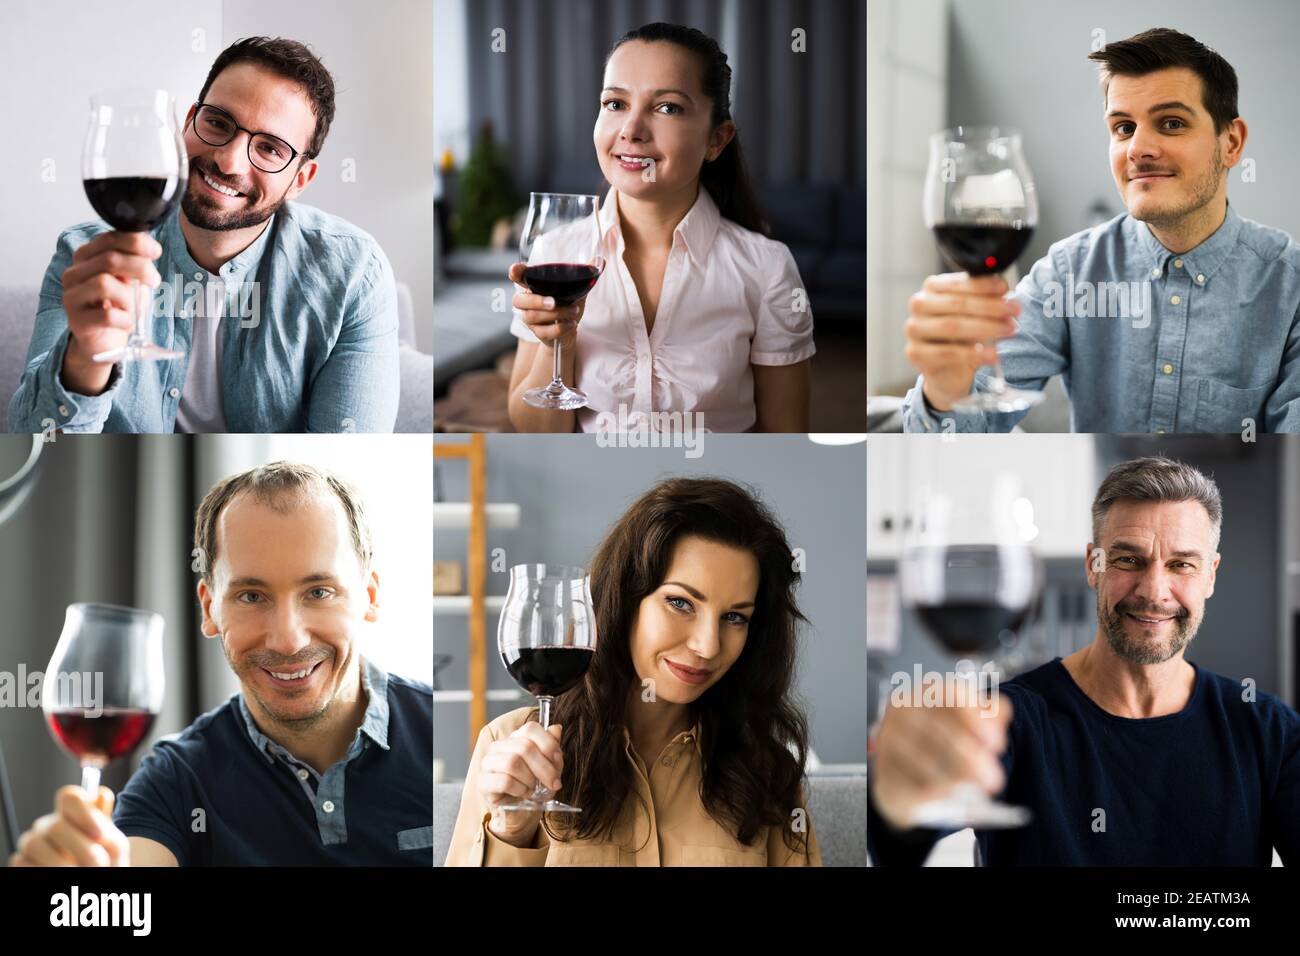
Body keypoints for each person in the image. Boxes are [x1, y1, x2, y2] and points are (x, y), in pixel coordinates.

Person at [868, 456, 1300, 865]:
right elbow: (895, 834)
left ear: (1211, 575)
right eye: (1128, 559)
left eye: (1181, 564)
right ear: (1093, 566)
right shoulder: (1008, 718)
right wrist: (894, 798)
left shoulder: (1267, 729)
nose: (1154, 590)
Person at [9, 462, 431, 866]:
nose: (288, 639)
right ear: (209, 609)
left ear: (369, 597)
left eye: (319, 592)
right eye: (251, 596)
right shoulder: (175, 780)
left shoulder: (448, 731)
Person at [902, 28, 1300, 434]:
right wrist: (942, 389)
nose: (1137, 148)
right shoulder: (1068, 271)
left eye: (1172, 123)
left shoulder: (1291, 286)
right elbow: (961, 427)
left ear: (1231, 143)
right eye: (1124, 128)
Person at [8, 37, 400, 434]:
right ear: (188, 121)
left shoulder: (354, 276)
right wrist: (85, 358)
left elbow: (347, 461)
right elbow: (35, 448)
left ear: (299, 179)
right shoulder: (87, 255)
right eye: (218, 123)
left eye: (269, 148)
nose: (228, 160)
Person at [445, 477, 821, 865]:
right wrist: (512, 832)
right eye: (681, 602)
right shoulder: (507, 746)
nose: (708, 645)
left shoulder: (768, 773)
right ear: (625, 600)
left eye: (734, 617)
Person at [507, 23, 814, 434]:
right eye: (615, 103)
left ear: (716, 140)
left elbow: (785, 441)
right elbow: (537, 434)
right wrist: (557, 344)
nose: (631, 130)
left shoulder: (768, 269)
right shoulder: (554, 251)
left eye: (667, 107)